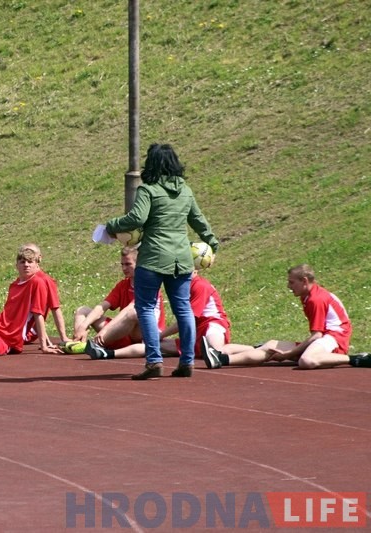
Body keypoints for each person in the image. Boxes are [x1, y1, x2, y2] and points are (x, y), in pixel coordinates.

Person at [105, 143, 219, 379]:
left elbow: (137, 217)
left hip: (154, 257)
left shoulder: (148, 189)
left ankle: (154, 361)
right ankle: (187, 361)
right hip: (181, 259)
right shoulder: (185, 190)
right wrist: (212, 244)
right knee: (183, 308)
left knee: (145, 307)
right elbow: (198, 220)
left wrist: (112, 226)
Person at [202, 264, 370, 370]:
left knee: (307, 361)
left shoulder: (316, 299)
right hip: (324, 338)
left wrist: (289, 354)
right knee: (271, 345)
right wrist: (287, 352)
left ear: (304, 280)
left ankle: (357, 359)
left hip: (334, 338)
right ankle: (222, 359)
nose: (288, 287)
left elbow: (317, 335)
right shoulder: (308, 296)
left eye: (292, 282)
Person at [86, 269, 230, 361]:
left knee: (214, 350)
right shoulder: (181, 287)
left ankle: (248, 352)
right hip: (196, 330)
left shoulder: (200, 286)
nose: (177, 274)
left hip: (212, 324)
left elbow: (186, 320)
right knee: (156, 345)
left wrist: (160, 335)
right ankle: (106, 352)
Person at [63, 246, 165, 357]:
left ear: (139, 264)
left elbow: (128, 311)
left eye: (128, 264)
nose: (124, 268)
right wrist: (83, 326)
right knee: (83, 310)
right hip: (124, 332)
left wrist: (105, 331)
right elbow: (102, 307)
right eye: (122, 264)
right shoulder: (123, 285)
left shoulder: (148, 285)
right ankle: (79, 342)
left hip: (144, 335)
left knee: (133, 312)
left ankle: (97, 345)